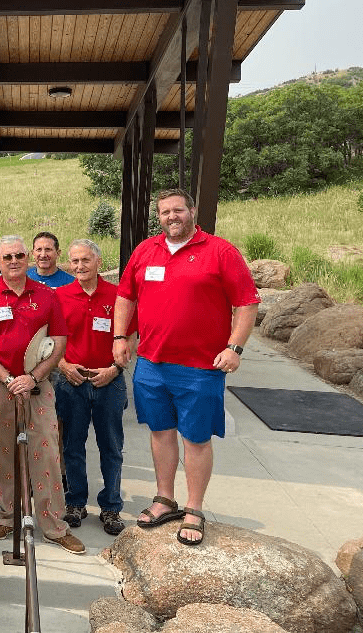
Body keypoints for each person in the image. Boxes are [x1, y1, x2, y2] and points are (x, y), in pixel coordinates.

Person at [113, 188, 259, 546]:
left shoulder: (220, 251)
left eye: (178, 210)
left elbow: (247, 302)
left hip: (201, 367)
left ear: (192, 211)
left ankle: (194, 508)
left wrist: (235, 347)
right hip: (152, 363)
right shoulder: (146, 251)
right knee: (160, 432)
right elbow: (125, 296)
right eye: (164, 212)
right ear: (158, 217)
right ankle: (165, 498)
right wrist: (120, 336)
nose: (171, 217)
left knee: (196, 438)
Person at [0, 235, 84, 554]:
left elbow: (59, 341)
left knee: (46, 452)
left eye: (19, 255)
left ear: (27, 258)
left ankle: (54, 525)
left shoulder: (47, 296)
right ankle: (8, 515)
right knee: (0, 454)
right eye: (8, 257)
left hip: (38, 387)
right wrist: (7, 377)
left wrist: (32, 377)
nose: (14, 261)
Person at [55, 239, 137, 536]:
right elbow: (51, 341)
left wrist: (115, 369)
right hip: (72, 381)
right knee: (72, 447)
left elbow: (131, 338)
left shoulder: (118, 297)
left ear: (98, 262)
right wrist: (63, 365)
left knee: (111, 447)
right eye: (74, 261)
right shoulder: (60, 297)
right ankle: (75, 501)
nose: (79, 266)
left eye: (85, 260)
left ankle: (111, 506)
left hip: (109, 381)